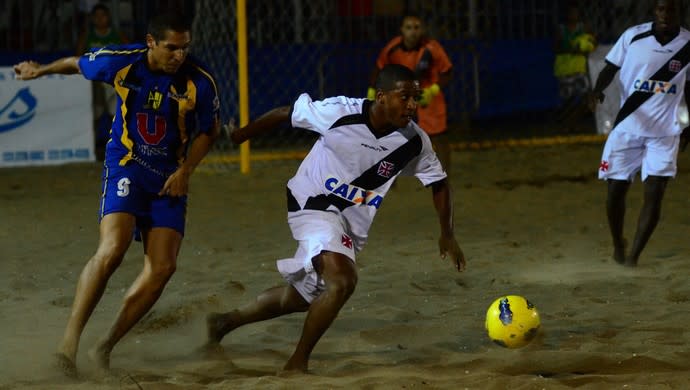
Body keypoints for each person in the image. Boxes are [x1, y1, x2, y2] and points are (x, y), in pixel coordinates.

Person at [204, 64, 465, 373]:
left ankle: (224, 322)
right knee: (342, 282)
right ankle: (297, 364)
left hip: (349, 222)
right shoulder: (340, 112)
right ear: (381, 97)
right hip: (312, 201)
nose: (412, 104)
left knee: (305, 296)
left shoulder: (414, 141)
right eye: (404, 96)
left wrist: (447, 233)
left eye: (416, 97)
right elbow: (284, 113)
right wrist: (238, 136)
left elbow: (439, 183)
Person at [13, 11, 220, 376]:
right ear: (152, 42)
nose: (180, 55)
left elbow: (209, 130)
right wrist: (40, 70)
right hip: (127, 164)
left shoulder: (200, 82)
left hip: (169, 177)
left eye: (185, 48)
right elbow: (76, 63)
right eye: (172, 48)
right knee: (112, 250)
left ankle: (104, 346)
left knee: (163, 268)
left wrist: (186, 170)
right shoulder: (121, 63)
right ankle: (67, 346)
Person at [588, 0, 690, 267]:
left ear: (680, 12)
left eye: (672, 9)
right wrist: (597, 90)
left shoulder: (688, 44)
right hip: (627, 128)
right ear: (654, 11)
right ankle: (617, 243)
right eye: (661, 9)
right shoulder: (633, 36)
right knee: (615, 192)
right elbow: (609, 68)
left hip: (665, 132)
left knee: (655, 192)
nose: (666, 14)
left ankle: (634, 256)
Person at [368, 14, 453, 175]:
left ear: (422, 29)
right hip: (401, 95)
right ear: (402, 30)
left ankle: (443, 175)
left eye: (416, 27)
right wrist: (373, 89)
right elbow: (379, 69)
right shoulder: (392, 48)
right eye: (408, 27)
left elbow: (447, 71)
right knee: (389, 133)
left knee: (439, 137)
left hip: (425, 94)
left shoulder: (432, 47)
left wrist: (433, 90)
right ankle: (387, 176)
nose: (413, 32)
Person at [76, 3, 130, 161]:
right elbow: (78, 57)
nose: (100, 19)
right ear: (92, 19)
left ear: (108, 18)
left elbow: (129, 54)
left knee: (117, 114)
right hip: (94, 82)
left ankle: (120, 149)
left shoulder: (117, 34)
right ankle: (90, 149)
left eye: (103, 15)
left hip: (113, 81)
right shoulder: (87, 35)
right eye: (97, 16)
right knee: (95, 115)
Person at [553, 2, 597, 103]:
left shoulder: (584, 27)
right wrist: (571, 50)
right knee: (567, 98)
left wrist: (587, 49)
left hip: (580, 69)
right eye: (570, 12)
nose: (573, 15)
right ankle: (568, 117)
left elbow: (594, 42)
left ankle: (583, 117)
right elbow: (555, 48)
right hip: (565, 69)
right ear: (566, 14)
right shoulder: (561, 29)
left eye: (575, 12)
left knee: (584, 95)